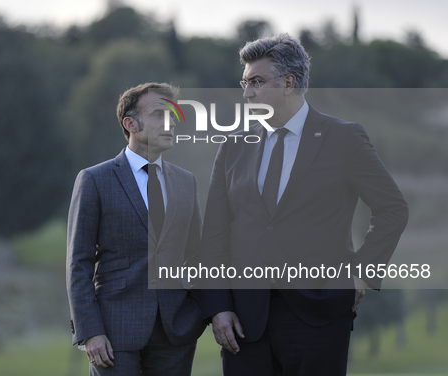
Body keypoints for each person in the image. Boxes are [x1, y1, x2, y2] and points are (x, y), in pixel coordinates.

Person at [200, 34, 409, 376]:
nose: (247, 92)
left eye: (256, 81)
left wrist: (362, 273)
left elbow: (392, 209)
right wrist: (218, 308)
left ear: (288, 83)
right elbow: (214, 234)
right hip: (244, 322)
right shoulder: (233, 146)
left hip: (320, 315)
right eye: (245, 82)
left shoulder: (343, 139)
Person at [66, 82, 205, 375]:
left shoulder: (186, 181)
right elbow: (78, 263)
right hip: (113, 335)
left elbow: (197, 257)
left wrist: (197, 314)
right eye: (158, 114)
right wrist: (90, 331)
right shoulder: (95, 180)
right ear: (130, 123)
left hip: (176, 333)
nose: (170, 122)